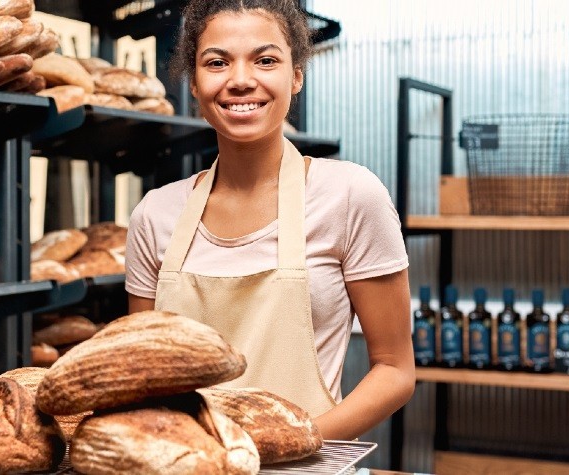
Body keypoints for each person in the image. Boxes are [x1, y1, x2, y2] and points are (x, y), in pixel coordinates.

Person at [125, 0, 414, 441]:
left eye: (265, 60)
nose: (241, 80)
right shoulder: (154, 215)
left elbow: (394, 370)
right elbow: (141, 372)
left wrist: (290, 443)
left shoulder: (351, 196)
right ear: (195, 82)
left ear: (296, 75)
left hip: (307, 465)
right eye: (217, 62)